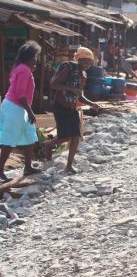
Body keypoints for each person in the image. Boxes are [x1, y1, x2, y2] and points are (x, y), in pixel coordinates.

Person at [43, 47, 101, 174]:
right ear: (79, 60)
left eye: (90, 62)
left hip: (72, 108)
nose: (88, 65)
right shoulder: (68, 68)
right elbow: (54, 84)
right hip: (60, 107)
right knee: (64, 137)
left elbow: (79, 95)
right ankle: (48, 145)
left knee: (76, 136)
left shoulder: (83, 75)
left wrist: (92, 104)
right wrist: (70, 88)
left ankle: (69, 165)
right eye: (85, 61)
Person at [0, 41, 42, 183]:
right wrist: (30, 111)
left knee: (30, 136)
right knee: (9, 140)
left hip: (18, 108)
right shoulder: (24, 70)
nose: (36, 60)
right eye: (35, 57)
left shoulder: (22, 68)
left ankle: (28, 167)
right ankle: (0, 171)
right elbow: (20, 94)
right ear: (29, 58)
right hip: (15, 108)